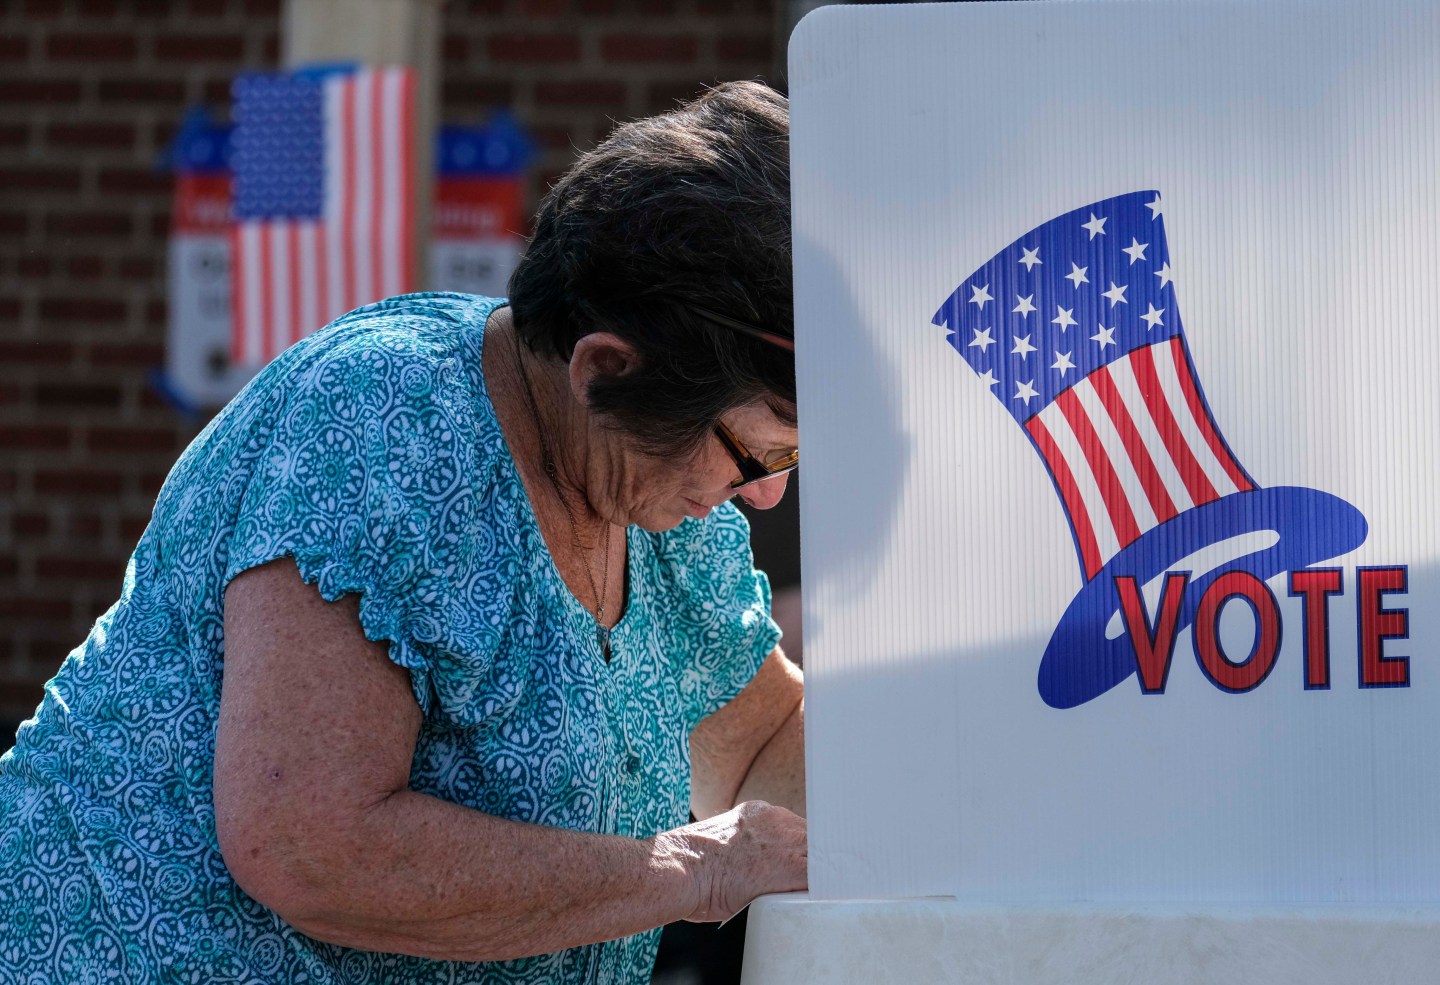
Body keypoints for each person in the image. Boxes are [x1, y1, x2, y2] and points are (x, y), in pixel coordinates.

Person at [0, 81, 806, 984]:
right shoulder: (386, 424)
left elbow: (763, 741)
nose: (766, 497)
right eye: (754, 453)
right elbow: (307, 842)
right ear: (605, 371)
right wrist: (693, 871)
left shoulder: (656, 487)